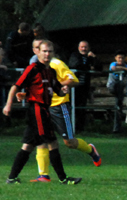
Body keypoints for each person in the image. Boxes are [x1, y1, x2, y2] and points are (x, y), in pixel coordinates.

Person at [3, 40, 82, 185]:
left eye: (50, 51)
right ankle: (64, 179)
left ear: (53, 53)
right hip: (37, 110)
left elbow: (57, 89)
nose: (47, 54)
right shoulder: (32, 68)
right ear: (37, 52)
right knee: (52, 142)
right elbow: (16, 86)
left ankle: (12, 178)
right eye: (44, 51)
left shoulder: (51, 71)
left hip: (43, 109)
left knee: (28, 145)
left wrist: (63, 90)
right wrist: (8, 105)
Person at [31, 41, 101, 181]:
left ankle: (90, 150)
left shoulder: (57, 64)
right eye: (39, 49)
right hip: (43, 106)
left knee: (69, 142)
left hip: (59, 106)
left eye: (46, 50)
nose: (44, 52)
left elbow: (73, 80)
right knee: (41, 139)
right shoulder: (35, 66)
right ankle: (43, 175)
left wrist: (55, 86)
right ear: (35, 50)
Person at [67, 41, 97, 131]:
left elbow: (99, 66)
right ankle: (69, 128)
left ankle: (80, 129)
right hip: (74, 87)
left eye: (86, 47)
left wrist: (94, 58)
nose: (84, 49)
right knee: (72, 106)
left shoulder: (90, 57)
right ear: (79, 48)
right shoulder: (75, 55)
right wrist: (88, 67)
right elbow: (75, 65)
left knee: (82, 108)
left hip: (84, 86)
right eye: (82, 47)